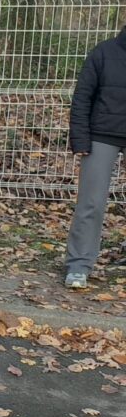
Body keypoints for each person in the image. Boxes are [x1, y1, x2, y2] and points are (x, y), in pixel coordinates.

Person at [65, 25, 126, 289]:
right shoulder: (103, 52)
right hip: (101, 136)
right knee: (91, 203)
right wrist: (80, 139)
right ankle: (78, 265)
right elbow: (82, 97)